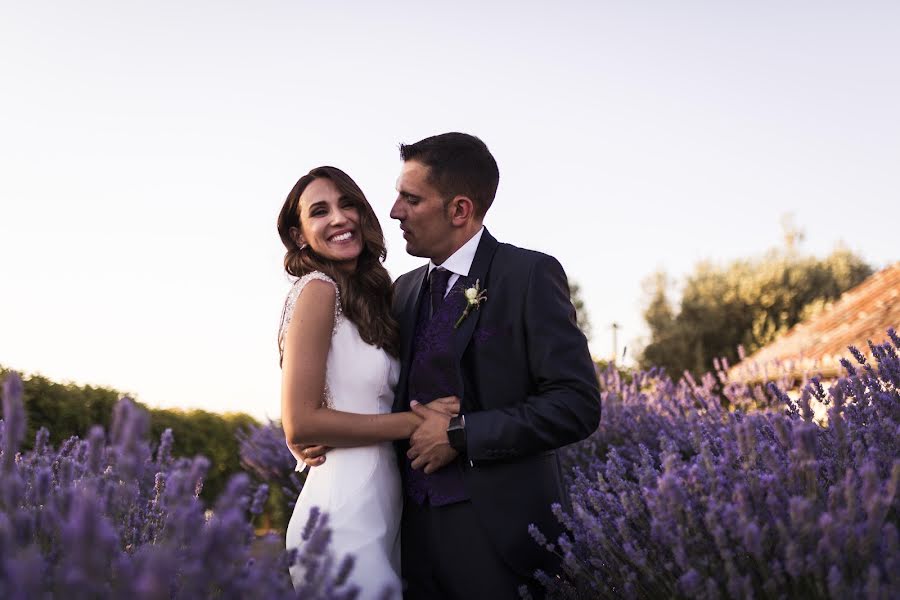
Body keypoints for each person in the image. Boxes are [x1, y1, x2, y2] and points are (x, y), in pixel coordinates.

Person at [302, 133, 601, 598]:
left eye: (411, 198)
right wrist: (320, 432)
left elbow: (576, 404)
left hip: (501, 544)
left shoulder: (528, 276)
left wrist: (461, 434)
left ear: (460, 210)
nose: (394, 210)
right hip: (406, 538)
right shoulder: (401, 291)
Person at [276, 166, 456, 599]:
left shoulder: (371, 297)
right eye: (320, 212)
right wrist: (415, 424)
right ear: (300, 235)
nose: (340, 218)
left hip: (382, 504)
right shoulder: (318, 289)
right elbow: (300, 423)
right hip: (341, 509)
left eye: (348, 203)